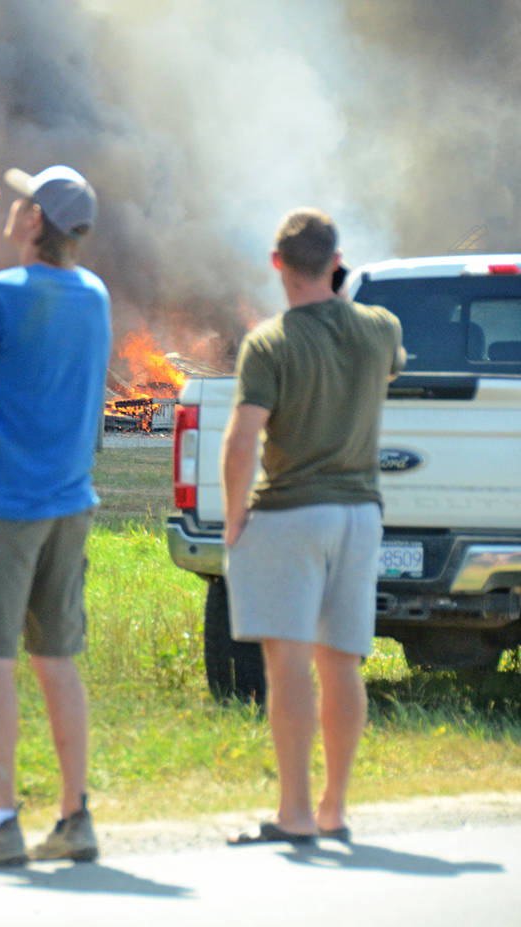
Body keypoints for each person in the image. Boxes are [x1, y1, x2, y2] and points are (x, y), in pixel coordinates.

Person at [0, 165, 111, 866]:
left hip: (5, 504)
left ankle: (0, 821)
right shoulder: (94, 296)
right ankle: (75, 815)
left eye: (21, 201)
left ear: (36, 221)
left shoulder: (1, 292)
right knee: (57, 657)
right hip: (72, 501)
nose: (10, 207)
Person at [222, 208, 404, 846]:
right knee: (342, 662)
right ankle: (334, 809)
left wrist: (235, 515)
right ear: (336, 260)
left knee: (290, 665)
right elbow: (387, 367)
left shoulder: (270, 343)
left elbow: (243, 440)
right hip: (360, 514)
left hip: (291, 511)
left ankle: (294, 813)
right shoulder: (381, 329)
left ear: (277, 264)